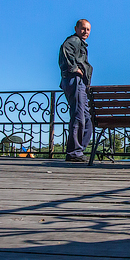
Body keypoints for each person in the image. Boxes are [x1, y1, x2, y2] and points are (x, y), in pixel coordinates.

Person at [59, 19, 94, 162]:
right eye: (83, 28)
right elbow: (65, 53)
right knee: (79, 116)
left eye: (88, 30)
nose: (85, 32)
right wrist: (75, 70)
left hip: (79, 84)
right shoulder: (73, 41)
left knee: (87, 118)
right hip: (75, 81)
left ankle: (78, 150)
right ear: (76, 28)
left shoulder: (80, 43)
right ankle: (74, 152)